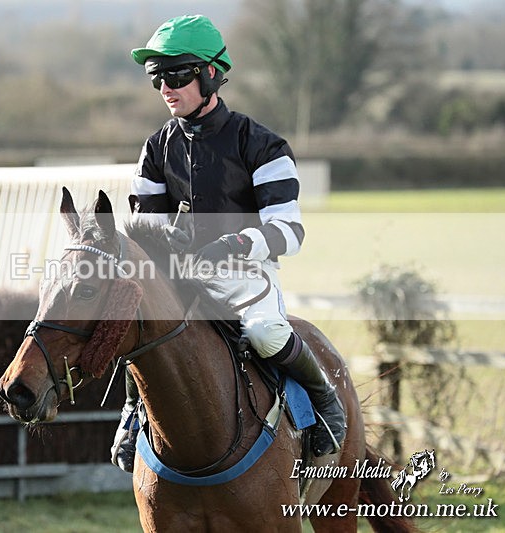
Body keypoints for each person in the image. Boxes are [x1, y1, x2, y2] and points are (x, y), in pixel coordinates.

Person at [111, 14, 346, 473]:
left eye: (177, 76)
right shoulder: (155, 148)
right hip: (182, 276)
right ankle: (132, 411)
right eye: (157, 78)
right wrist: (166, 242)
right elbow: (145, 227)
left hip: (246, 273)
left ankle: (325, 399)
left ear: (211, 74)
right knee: (136, 324)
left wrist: (234, 244)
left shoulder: (264, 146)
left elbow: (289, 232)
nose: (166, 88)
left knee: (265, 333)